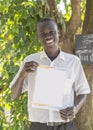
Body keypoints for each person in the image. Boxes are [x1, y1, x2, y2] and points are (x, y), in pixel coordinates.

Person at [9, 18, 90, 130]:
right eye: (43, 34)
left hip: (65, 126)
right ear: (38, 37)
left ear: (59, 33)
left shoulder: (73, 61)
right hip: (38, 126)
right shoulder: (29, 61)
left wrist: (75, 108)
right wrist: (23, 75)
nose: (48, 36)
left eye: (51, 32)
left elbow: (83, 91)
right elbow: (13, 95)